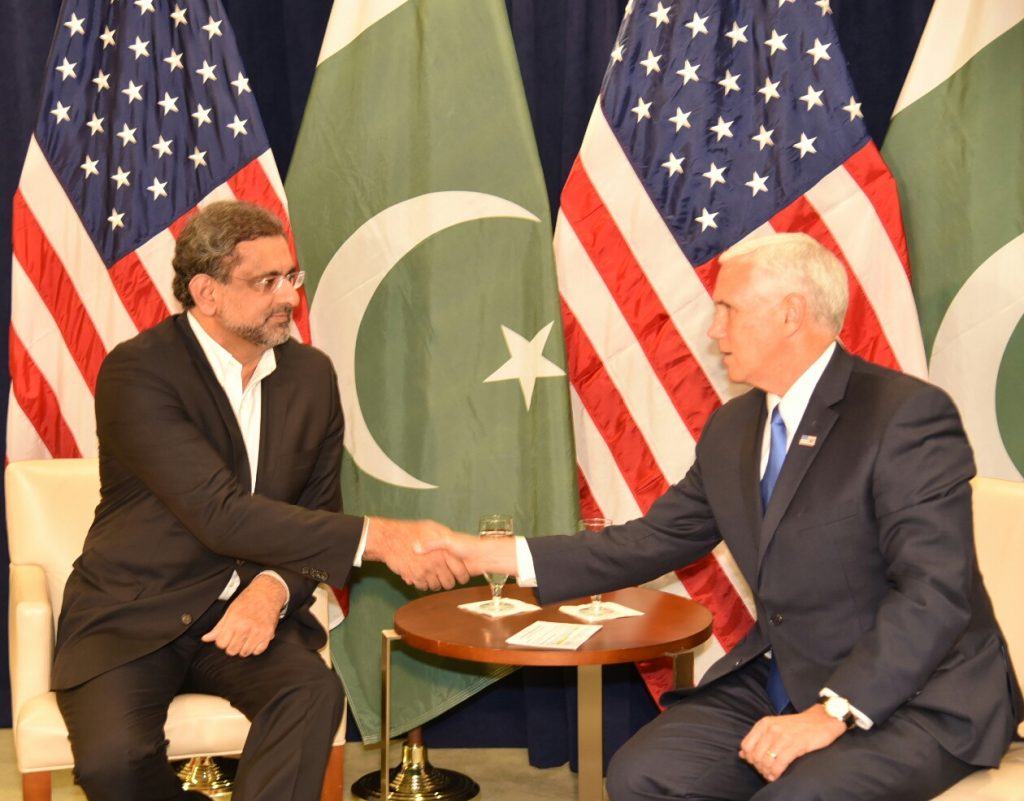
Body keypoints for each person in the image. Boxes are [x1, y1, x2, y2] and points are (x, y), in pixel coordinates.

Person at [431, 232, 1023, 800]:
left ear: (791, 314)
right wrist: (492, 555)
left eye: (728, 309)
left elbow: (934, 594)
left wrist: (832, 711)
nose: (714, 330)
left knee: (800, 794)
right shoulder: (733, 428)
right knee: (644, 774)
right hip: (790, 675)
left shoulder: (904, 416)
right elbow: (651, 540)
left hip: (917, 697)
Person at [53, 201, 468, 801]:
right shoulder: (138, 372)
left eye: (291, 277)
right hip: (135, 612)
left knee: (311, 696)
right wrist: (379, 537)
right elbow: (219, 513)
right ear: (207, 292)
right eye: (266, 282)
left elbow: (316, 512)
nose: (289, 297)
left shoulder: (310, 376)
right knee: (113, 763)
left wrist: (273, 590)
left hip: (249, 613)